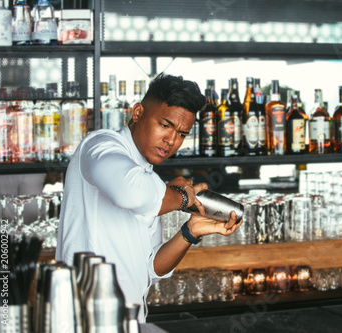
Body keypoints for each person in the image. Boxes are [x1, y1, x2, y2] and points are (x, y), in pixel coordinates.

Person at [55, 73, 242, 323]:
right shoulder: (100, 145)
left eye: (182, 134)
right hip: (85, 320)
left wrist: (190, 231)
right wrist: (182, 198)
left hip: (131, 320)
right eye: (165, 125)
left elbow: (152, 269)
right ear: (138, 112)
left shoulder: (148, 178)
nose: (172, 140)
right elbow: (131, 192)